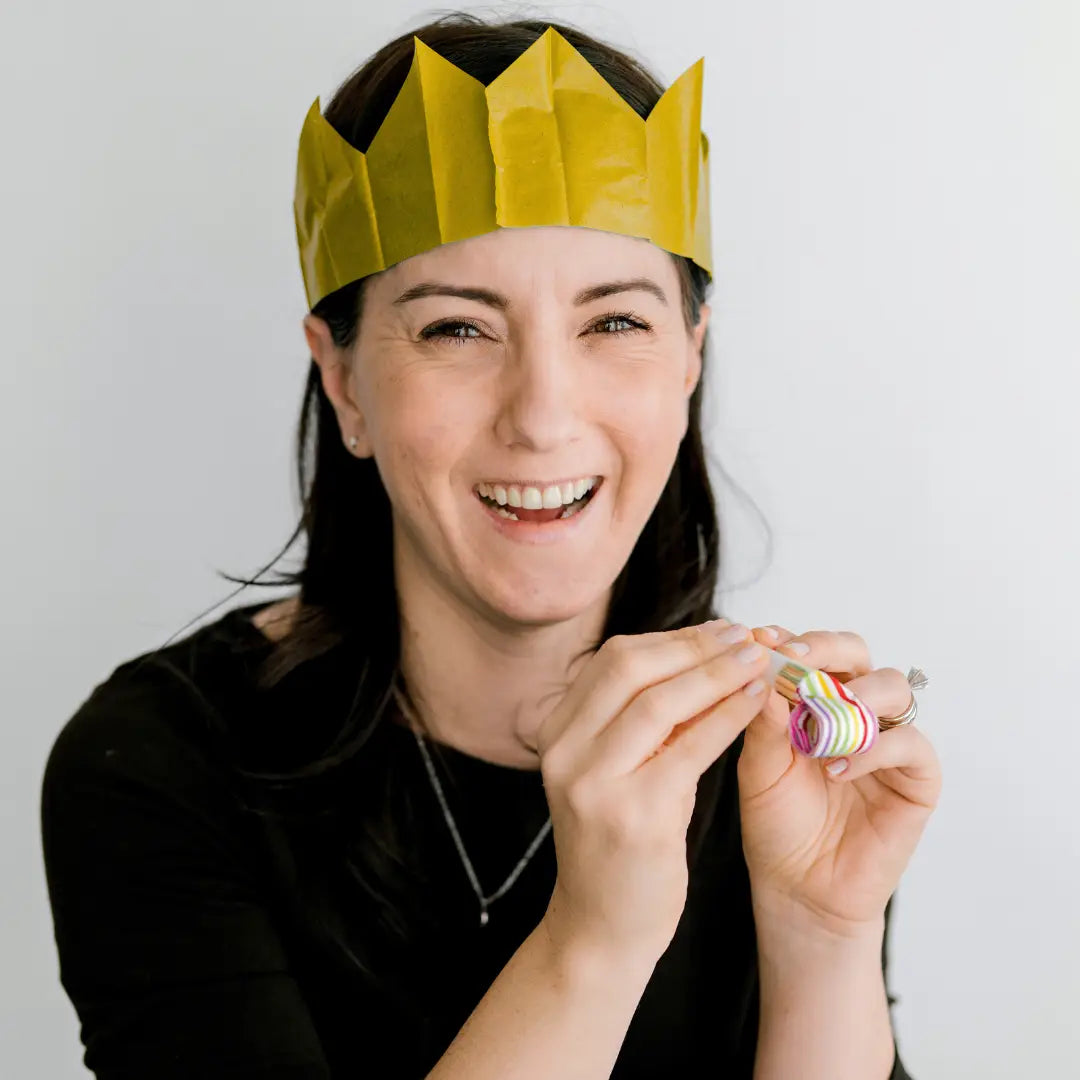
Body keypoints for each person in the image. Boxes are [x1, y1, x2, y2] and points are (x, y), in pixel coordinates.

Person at [40, 14, 941, 1079]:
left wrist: (824, 938)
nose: (543, 416)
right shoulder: (157, 762)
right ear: (343, 382)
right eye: (457, 328)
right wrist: (592, 941)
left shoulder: (776, 765)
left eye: (615, 323)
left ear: (689, 360)